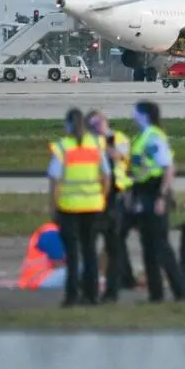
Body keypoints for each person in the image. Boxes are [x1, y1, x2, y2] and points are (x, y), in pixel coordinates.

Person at [48, 107, 111, 307]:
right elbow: (106, 176)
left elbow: (55, 180)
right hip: (93, 205)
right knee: (90, 251)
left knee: (72, 254)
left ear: (67, 124)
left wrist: (53, 206)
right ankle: (92, 295)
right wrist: (102, 197)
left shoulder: (63, 147)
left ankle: (72, 295)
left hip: (68, 207)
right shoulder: (96, 145)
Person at [129, 100, 185, 302]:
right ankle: (156, 294)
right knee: (148, 246)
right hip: (142, 192)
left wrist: (162, 197)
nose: (132, 115)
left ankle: (181, 291)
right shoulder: (142, 136)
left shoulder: (153, 136)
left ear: (144, 115)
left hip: (154, 192)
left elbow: (168, 167)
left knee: (160, 245)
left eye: (136, 112)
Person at [85, 110, 137, 301]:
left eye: (100, 122)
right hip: (98, 196)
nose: (97, 126)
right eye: (94, 124)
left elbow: (120, 156)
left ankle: (123, 279)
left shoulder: (118, 138)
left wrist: (103, 141)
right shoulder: (88, 141)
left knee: (116, 240)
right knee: (115, 241)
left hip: (119, 193)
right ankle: (124, 278)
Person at [18, 222, 67, 289]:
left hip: (36, 279)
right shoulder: (51, 233)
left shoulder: (53, 231)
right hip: (39, 280)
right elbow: (58, 263)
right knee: (80, 270)